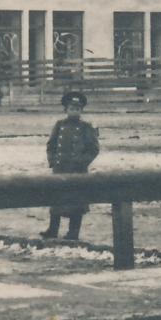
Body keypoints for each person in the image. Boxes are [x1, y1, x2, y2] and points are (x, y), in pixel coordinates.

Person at [43, 91, 101, 240]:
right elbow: (51, 145)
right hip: (60, 168)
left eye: (77, 109)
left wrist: (82, 162)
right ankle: (52, 230)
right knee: (56, 200)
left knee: (77, 202)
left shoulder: (86, 127)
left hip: (77, 170)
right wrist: (53, 161)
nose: (74, 111)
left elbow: (94, 149)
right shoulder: (59, 125)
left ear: (81, 111)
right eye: (71, 109)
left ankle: (73, 232)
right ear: (66, 110)